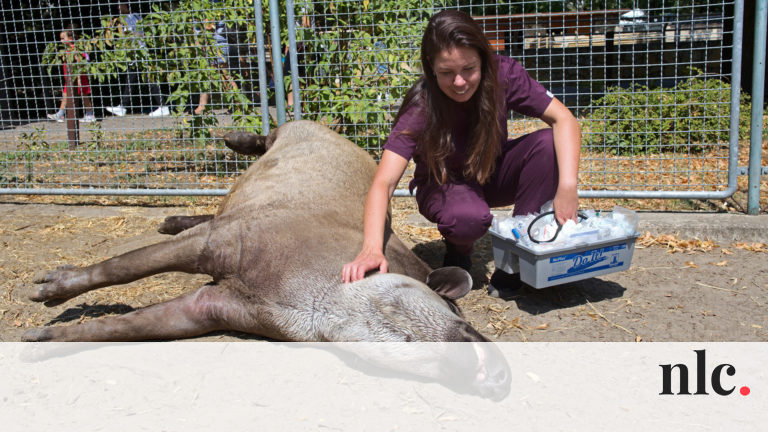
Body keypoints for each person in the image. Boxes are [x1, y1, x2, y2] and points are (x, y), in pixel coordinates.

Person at [341, 10, 581, 297]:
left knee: (546, 145)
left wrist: (568, 186)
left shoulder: (504, 73)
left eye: (468, 69)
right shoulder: (422, 104)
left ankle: (516, 260)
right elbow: (385, 182)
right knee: (468, 217)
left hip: (490, 171)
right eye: (446, 72)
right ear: (430, 66)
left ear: (482, 56)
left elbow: (564, 119)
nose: (459, 82)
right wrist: (370, 249)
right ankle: (458, 250)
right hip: (444, 183)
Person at [105, 3, 170, 118]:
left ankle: (162, 106)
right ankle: (123, 106)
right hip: (134, 53)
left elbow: (140, 34)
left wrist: (127, 38)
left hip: (139, 51)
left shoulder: (133, 17)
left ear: (126, 5)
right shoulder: (126, 19)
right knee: (132, 78)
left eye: (120, 5)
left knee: (148, 78)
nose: (118, 8)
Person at [47, 25, 96, 123]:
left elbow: (80, 62)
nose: (61, 41)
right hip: (70, 77)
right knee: (66, 94)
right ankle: (60, 114)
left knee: (83, 95)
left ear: (71, 38)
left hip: (78, 76)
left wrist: (78, 77)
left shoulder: (76, 49)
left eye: (63, 38)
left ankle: (90, 114)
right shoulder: (67, 50)